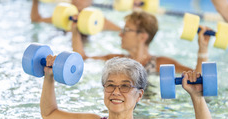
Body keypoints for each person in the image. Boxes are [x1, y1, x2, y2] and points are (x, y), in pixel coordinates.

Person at [40, 56, 216, 119]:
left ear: (139, 95)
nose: (116, 92)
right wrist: (49, 78)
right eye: (110, 85)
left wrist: (196, 97)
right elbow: (49, 114)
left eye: (125, 86)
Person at [72, 10, 212, 74]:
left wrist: (203, 49)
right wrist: (75, 30)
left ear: (143, 37)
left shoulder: (160, 64)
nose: (121, 34)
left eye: (126, 30)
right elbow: (82, 59)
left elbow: (198, 78)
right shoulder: (117, 60)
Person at [31, 0, 121, 31]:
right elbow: (36, 19)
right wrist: (35, 1)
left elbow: (121, 31)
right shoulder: (64, 16)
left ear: (90, 2)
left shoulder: (99, 20)